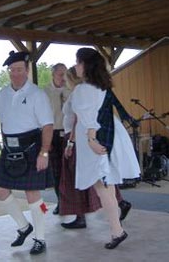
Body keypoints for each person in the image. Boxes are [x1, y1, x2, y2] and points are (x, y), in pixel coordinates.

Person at [71, 48, 140, 249]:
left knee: (103, 188)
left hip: (94, 143)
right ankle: (116, 230)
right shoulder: (101, 86)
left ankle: (117, 231)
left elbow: (88, 118)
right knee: (106, 187)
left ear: (86, 65)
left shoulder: (83, 89)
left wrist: (92, 140)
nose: (76, 66)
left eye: (78, 62)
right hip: (105, 139)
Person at [0, 51, 54, 255]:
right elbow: (4, 122)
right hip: (10, 148)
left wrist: (44, 152)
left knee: (32, 194)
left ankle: (40, 238)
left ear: (26, 71)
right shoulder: (3, 94)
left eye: (18, 70)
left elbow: (47, 126)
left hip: (32, 148)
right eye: (11, 70)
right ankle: (24, 227)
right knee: (0, 190)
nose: (15, 74)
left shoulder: (37, 94)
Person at [59, 66, 101, 229]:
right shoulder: (79, 93)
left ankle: (80, 215)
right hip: (77, 137)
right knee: (90, 175)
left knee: (74, 178)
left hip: (75, 138)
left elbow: (77, 119)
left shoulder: (78, 94)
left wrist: (71, 142)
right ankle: (119, 202)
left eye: (66, 77)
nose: (64, 80)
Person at [43, 63, 70, 215]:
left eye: (65, 74)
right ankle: (60, 202)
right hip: (52, 133)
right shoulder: (45, 92)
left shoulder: (70, 89)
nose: (63, 77)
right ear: (53, 75)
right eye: (60, 74)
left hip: (68, 133)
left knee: (70, 169)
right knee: (56, 171)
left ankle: (74, 204)